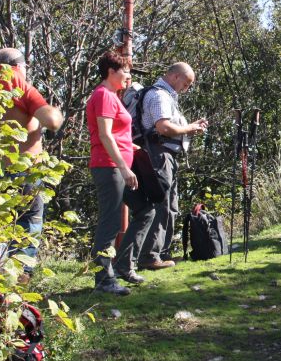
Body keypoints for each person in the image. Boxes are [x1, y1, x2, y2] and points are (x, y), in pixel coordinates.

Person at [0, 47, 64, 284]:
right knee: (29, 221)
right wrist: (55, 111)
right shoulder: (21, 86)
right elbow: (52, 121)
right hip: (22, 171)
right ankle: (20, 279)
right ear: (20, 67)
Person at [130, 62, 208, 271]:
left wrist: (189, 127)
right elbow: (163, 127)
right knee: (161, 204)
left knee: (171, 206)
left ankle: (162, 253)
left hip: (166, 155)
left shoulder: (166, 97)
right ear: (175, 77)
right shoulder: (159, 96)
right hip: (159, 153)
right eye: (187, 83)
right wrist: (189, 128)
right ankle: (149, 256)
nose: (187, 88)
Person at [86, 50, 138, 295]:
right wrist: (123, 166)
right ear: (111, 71)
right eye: (125, 70)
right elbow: (105, 135)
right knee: (110, 221)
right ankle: (104, 280)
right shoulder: (104, 95)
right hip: (109, 166)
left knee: (137, 210)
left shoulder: (112, 96)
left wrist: (131, 146)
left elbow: (116, 133)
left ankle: (113, 271)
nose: (128, 76)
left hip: (115, 163)